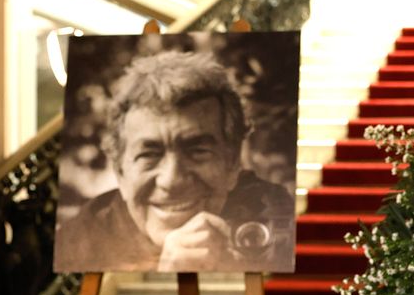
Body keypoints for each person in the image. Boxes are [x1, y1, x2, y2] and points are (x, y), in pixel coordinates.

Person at [55, 50, 293, 272]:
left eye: (198, 151)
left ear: (232, 164)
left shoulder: (273, 212)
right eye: (149, 155)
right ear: (120, 173)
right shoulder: (76, 246)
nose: (172, 180)